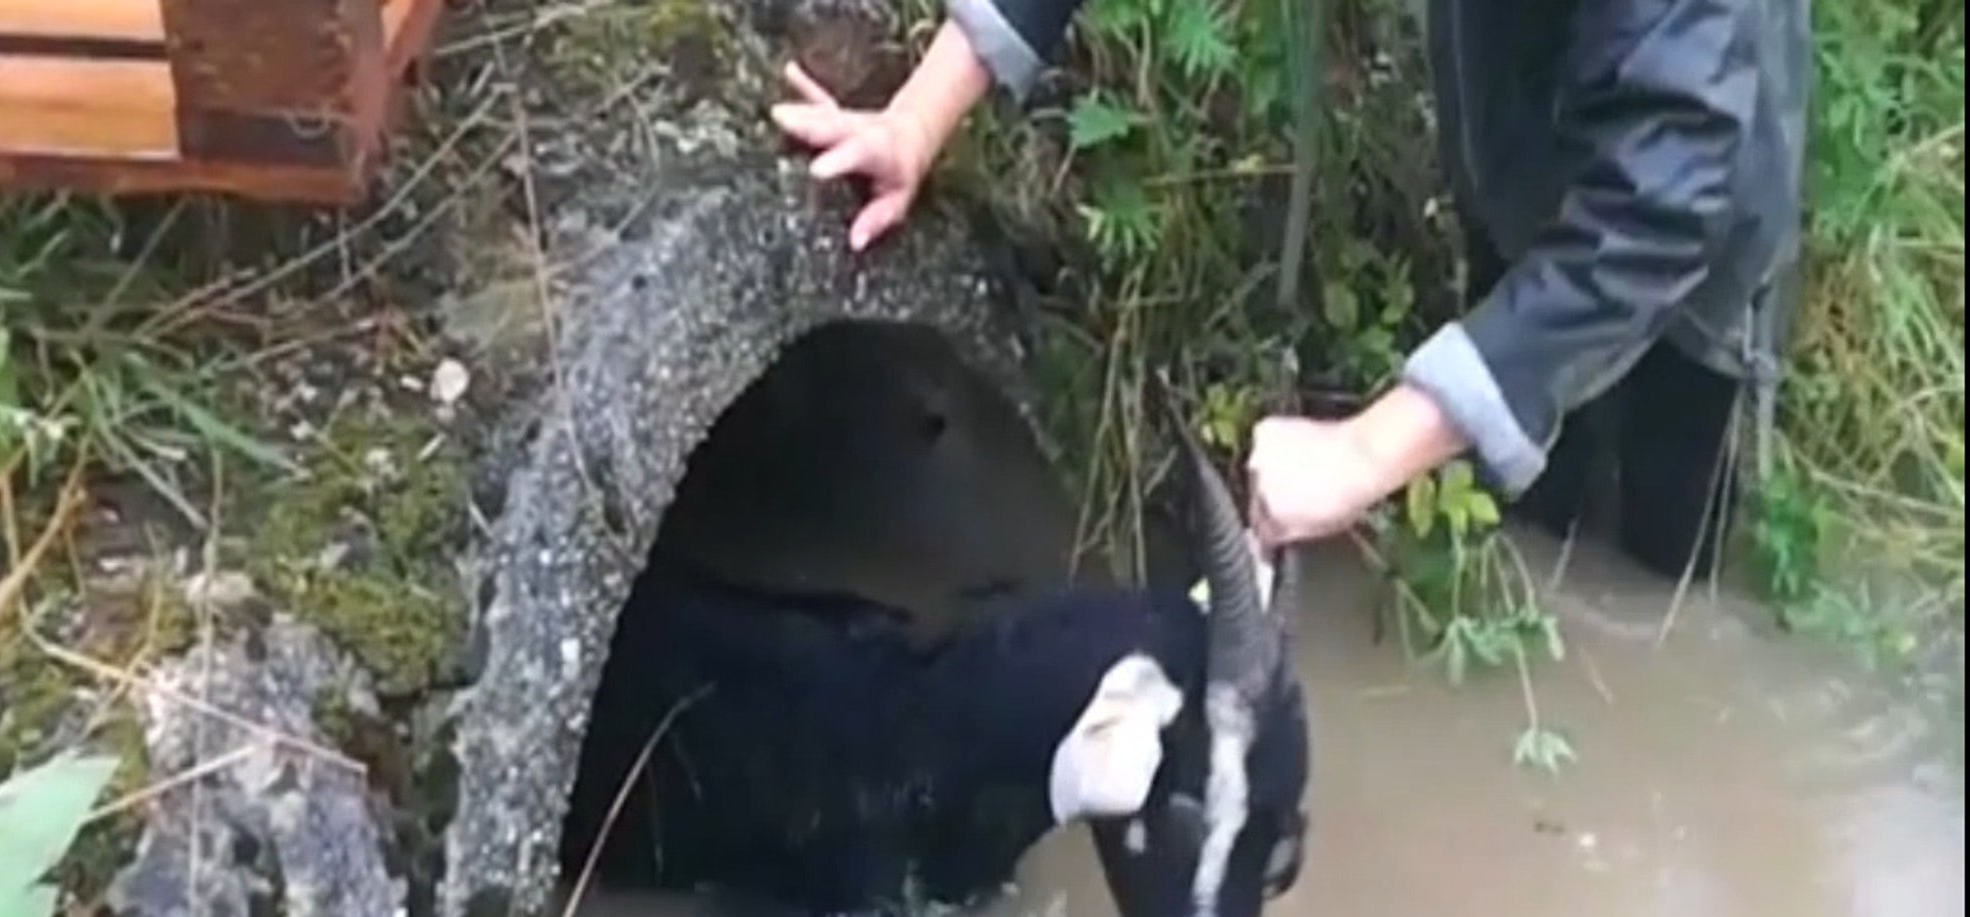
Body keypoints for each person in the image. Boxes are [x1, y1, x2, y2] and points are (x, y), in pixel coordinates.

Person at [771, 0, 1812, 583]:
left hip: (1696, 198)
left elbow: (1665, 200)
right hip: (1525, 97)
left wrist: (1362, 452)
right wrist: (917, 115)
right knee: (1526, 483)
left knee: (1656, 537)